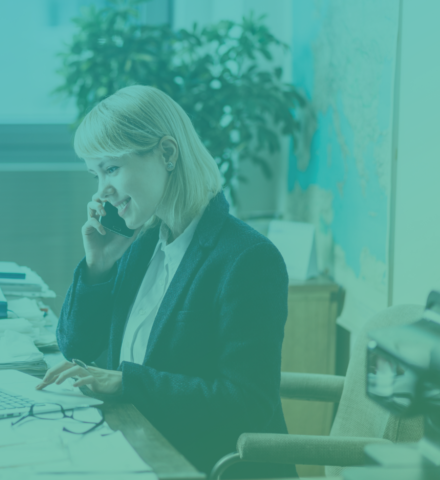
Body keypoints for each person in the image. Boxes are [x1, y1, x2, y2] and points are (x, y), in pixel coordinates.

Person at [35, 85, 297, 479]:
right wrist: (99, 265)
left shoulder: (247, 259)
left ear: (168, 154)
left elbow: (247, 402)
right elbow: (76, 347)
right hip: (137, 447)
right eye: (95, 174)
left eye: (111, 169)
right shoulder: (141, 247)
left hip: (200, 463)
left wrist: (128, 383)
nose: (101, 191)